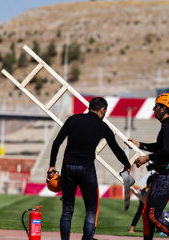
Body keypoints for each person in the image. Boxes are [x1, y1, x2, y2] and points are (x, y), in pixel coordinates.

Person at [47, 97, 131, 240]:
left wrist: (52, 165)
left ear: (90, 106)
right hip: (87, 168)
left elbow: (56, 143)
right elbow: (116, 149)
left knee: (67, 210)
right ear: (102, 110)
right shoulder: (103, 127)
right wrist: (126, 163)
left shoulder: (73, 119)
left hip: (68, 166)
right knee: (91, 210)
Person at [128, 93, 169, 240]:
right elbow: (160, 146)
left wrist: (147, 157)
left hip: (166, 177)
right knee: (148, 214)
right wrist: (140, 145)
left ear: (164, 108)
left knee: (153, 216)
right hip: (164, 177)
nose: (154, 109)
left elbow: (167, 150)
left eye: (157, 106)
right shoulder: (168, 126)